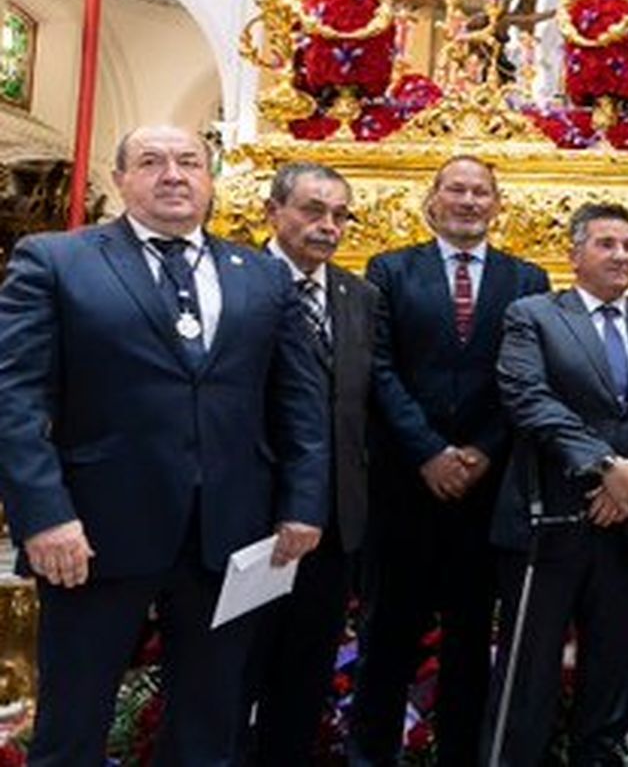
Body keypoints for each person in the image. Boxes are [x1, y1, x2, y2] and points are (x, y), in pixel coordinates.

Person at [0, 124, 329, 765]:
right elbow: (14, 400)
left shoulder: (261, 276)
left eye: (189, 162)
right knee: (72, 725)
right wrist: (43, 517)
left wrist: (303, 503)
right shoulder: (56, 261)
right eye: (151, 161)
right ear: (122, 180)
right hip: (90, 537)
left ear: (211, 181)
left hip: (229, 538)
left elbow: (299, 404)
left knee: (209, 726)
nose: (173, 174)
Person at [487, 202, 628, 765]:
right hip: (553, 525)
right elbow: (528, 399)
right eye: (607, 244)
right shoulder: (533, 315)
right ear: (574, 253)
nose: (622, 256)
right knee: (528, 678)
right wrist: (607, 468)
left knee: (612, 675)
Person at [353, 156, 551, 765]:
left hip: (485, 493)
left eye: (480, 192)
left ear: (497, 204)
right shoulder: (389, 271)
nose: (468, 201)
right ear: (433, 199)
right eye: (457, 190)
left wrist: (483, 451)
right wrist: (429, 451)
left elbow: (525, 378)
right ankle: (370, 755)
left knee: (471, 642)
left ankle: (461, 756)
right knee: (388, 638)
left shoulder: (527, 280)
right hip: (405, 488)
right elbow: (378, 369)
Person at [249, 162, 382, 764]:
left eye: (339, 215)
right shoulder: (237, 280)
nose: (328, 226)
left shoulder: (360, 296)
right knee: (232, 676)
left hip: (334, 525)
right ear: (274, 211)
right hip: (250, 518)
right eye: (312, 210)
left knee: (304, 682)